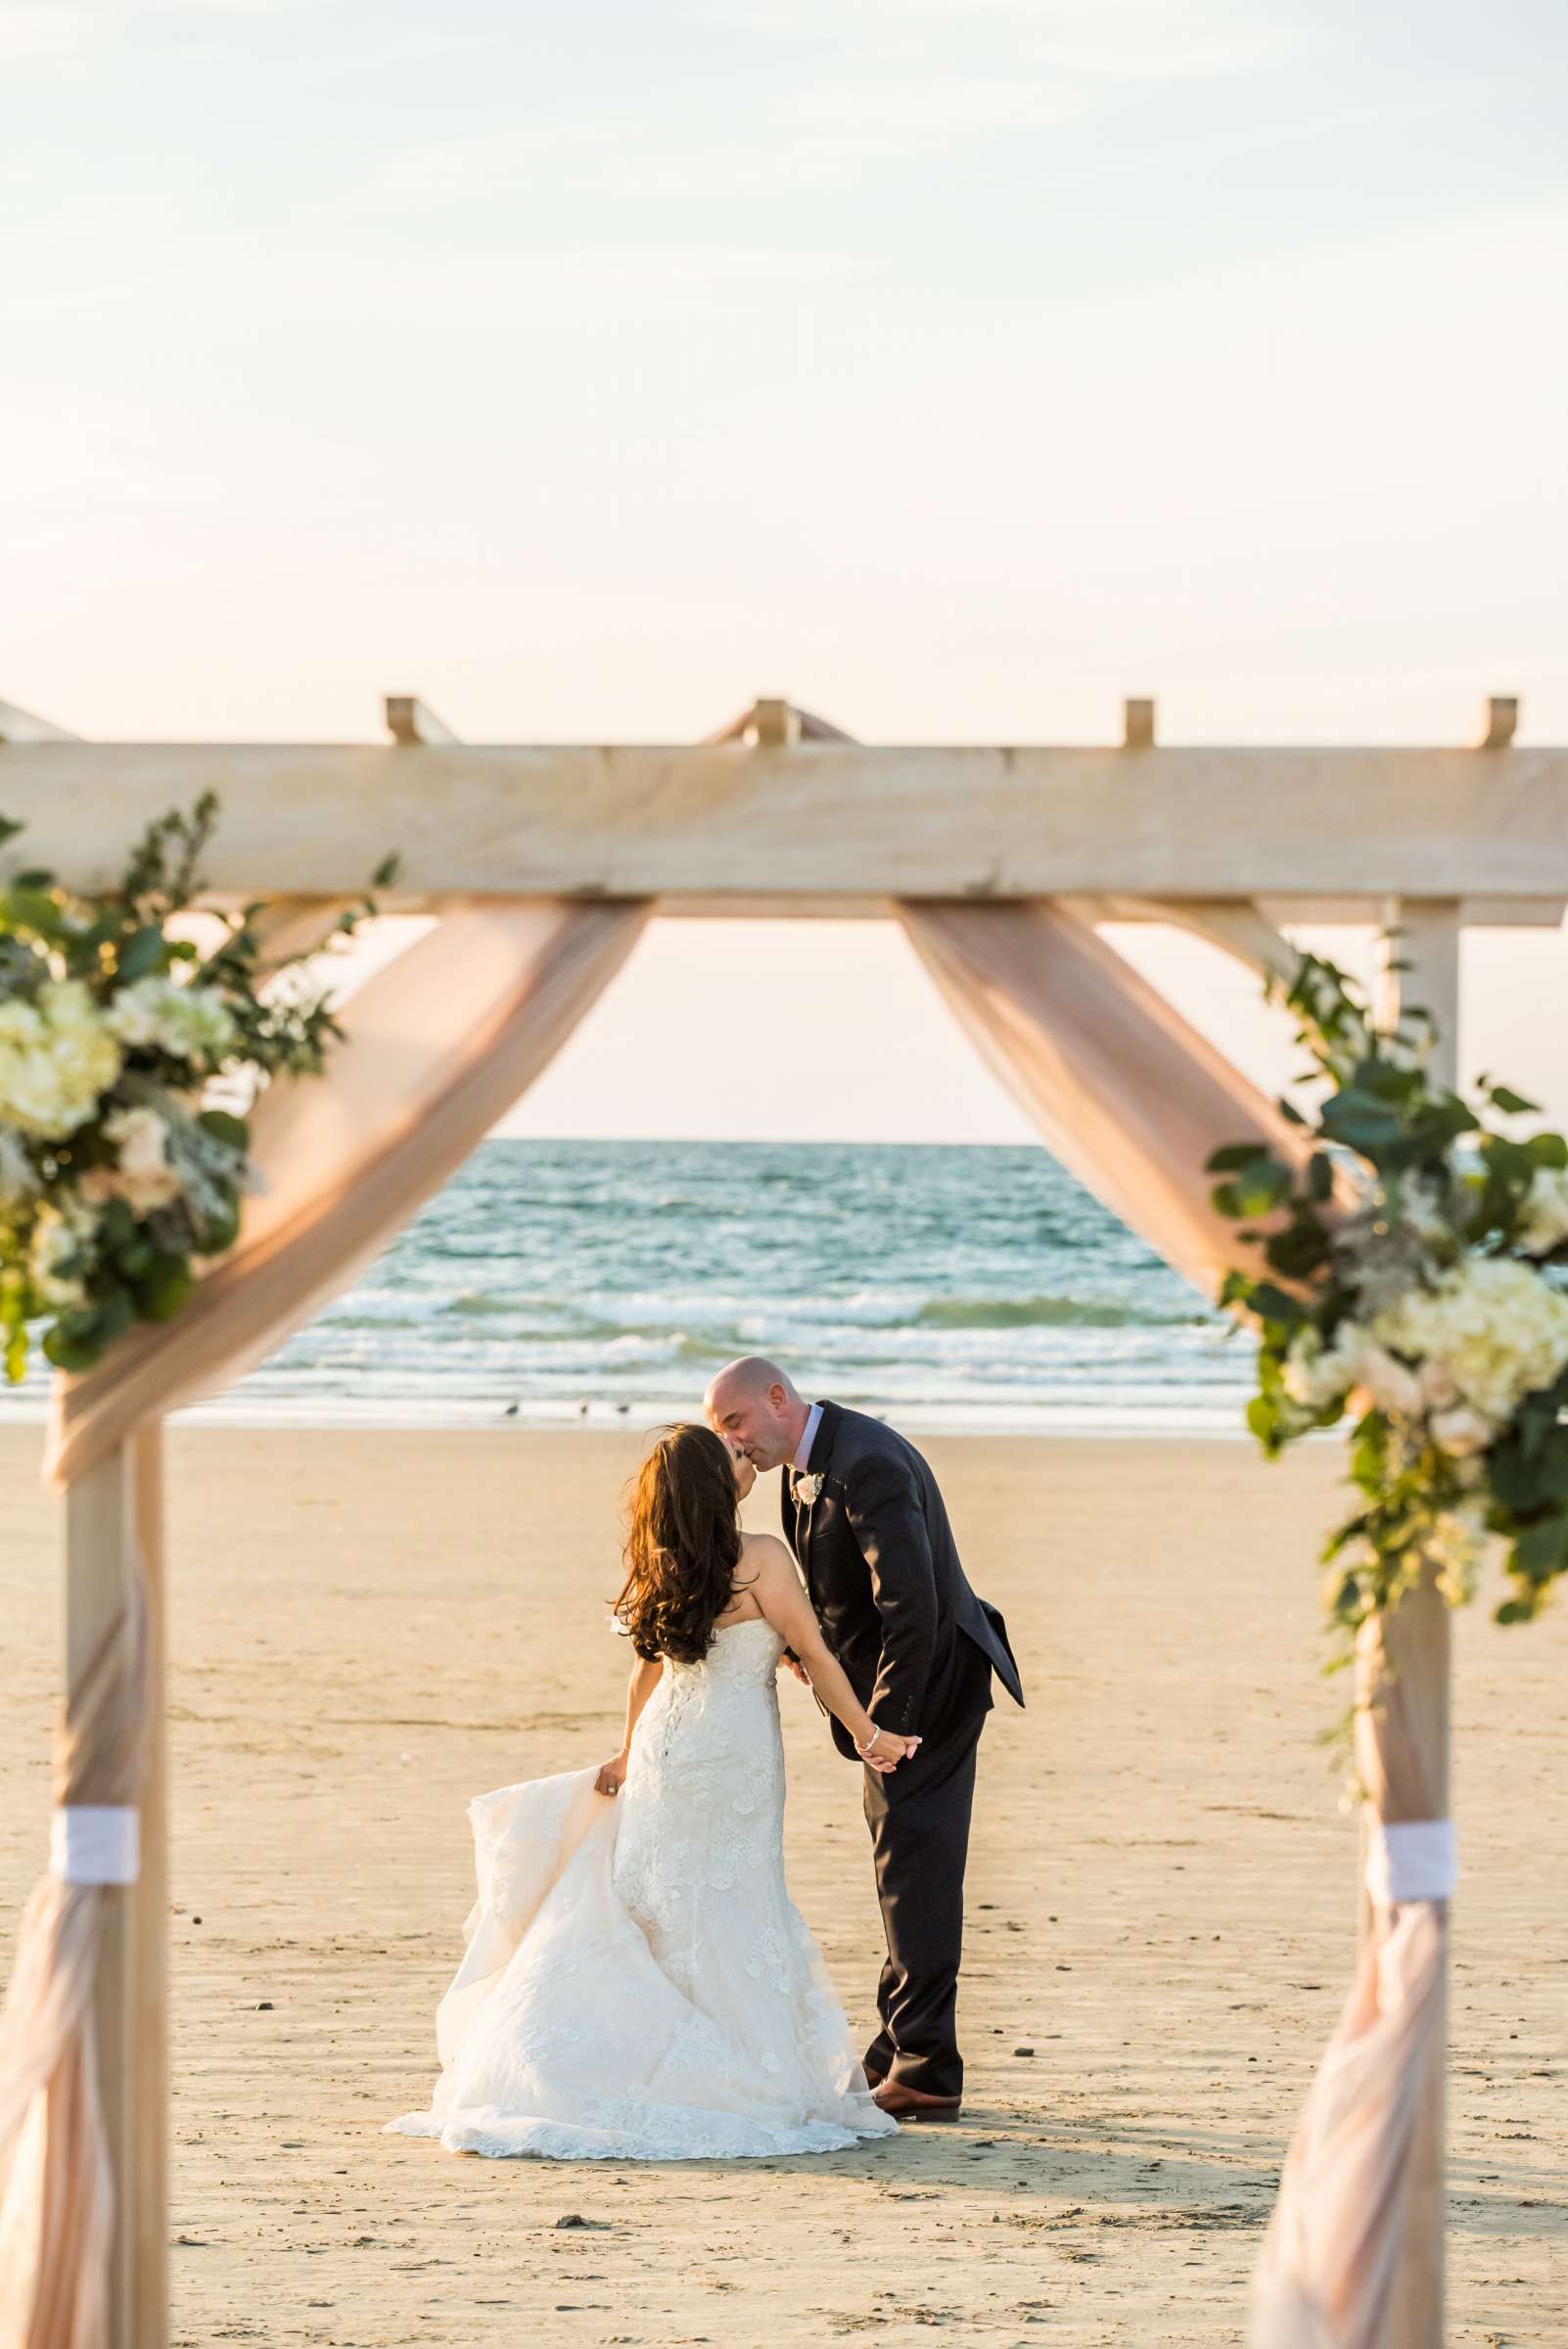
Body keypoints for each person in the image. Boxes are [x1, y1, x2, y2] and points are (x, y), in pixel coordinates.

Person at [387, 1422, 911, 2160]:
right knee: (735, 1894)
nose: (746, 1457)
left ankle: (651, 2047)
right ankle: (725, 2061)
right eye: (733, 1455)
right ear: (717, 1484)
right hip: (734, 1753)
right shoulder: (759, 1556)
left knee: (664, 1897)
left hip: (670, 1746)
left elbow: (646, 1671)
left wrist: (630, 1754)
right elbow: (817, 1652)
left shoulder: (659, 1563)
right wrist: (867, 1733)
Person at [705, 1358, 1023, 2122]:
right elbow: (840, 1587)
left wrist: (889, 1725)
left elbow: (911, 1604)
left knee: (916, 1872)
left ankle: (927, 2070)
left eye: (735, 1422)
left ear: (777, 1398)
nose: (732, 1442)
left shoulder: (868, 1463)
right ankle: (896, 2048)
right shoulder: (807, 1465)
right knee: (901, 1867)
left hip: (932, 1691)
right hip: (906, 1688)